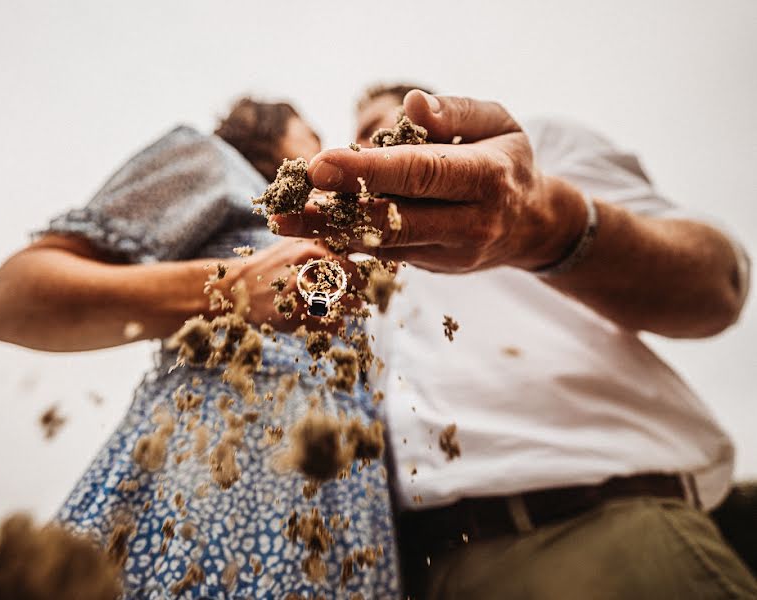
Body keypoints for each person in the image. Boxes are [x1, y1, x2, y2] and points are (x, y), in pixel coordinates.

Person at [272, 84, 757, 598]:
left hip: (597, 533)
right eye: (358, 135)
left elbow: (716, 284)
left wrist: (539, 221)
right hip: (422, 576)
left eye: (378, 124)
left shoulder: (536, 150)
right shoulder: (345, 256)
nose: (365, 142)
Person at [0, 97, 400, 598]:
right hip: (214, 483)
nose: (326, 148)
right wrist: (232, 286)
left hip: (348, 513)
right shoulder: (213, 162)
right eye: (311, 133)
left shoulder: (339, 232)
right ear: (265, 131)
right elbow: (4, 301)